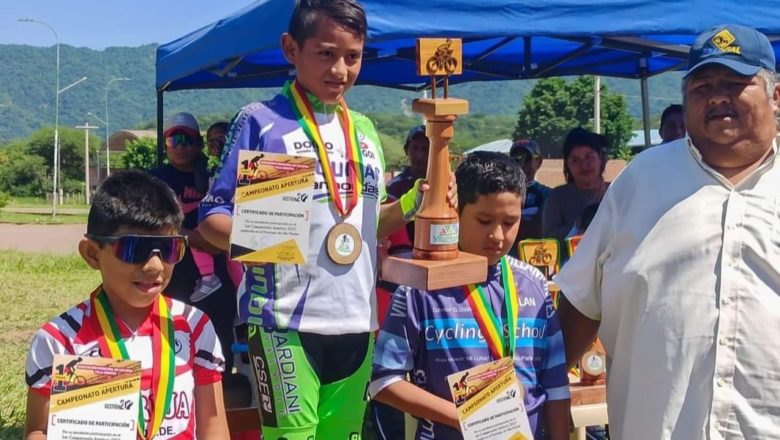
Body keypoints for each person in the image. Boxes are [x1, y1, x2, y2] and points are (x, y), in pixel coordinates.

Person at [198, 1, 450, 438]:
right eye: (326, 53)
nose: (340, 70)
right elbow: (212, 219)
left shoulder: (366, 131)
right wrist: (271, 238)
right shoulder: (264, 122)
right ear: (291, 49)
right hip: (283, 322)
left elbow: (365, 230)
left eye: (353, 57)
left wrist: (413, 203)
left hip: (357, 321)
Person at [557, 24, 780, 439]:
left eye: (734, 83)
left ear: (775, 96)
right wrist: (534, 399)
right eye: (701, 86)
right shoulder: (640, 180)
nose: (717, 96)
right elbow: (580, 303)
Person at [371, 152, 570, 440]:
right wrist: (468, 416)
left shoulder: (534, 284)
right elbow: (383, 381)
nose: (498, 236)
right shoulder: (420, 288)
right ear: (457, 210)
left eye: (509, 222)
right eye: (484, 220)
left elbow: (555, 385)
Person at [24, 170, 228, 439]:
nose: (154, 266)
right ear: (92, 254)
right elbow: (38, 430)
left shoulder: (195, 326)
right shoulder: (59, 340)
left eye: (168, 249)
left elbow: (212, 425)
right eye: (134, 249)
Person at [372, 124, 430, 440]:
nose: (421, 154)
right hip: (391, 296)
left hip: (434, 298)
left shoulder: (451, 188)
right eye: (416, 147)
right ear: (407, 150)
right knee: (391, 374)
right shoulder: (391, 192)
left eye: (427, 147)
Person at [151, 112, 223, 303]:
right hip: (176, 271)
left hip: (219, 270)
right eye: (174, 140)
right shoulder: (154, 179)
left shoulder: (216, 175)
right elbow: (151, 223)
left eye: (187, 140)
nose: (181, 147)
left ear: (199, 143)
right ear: (165, 144)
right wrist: (196, 239)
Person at [542, 127, 609, 246]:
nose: (584, 165)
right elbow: (548, 240)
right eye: (575, 160)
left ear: (601, 159)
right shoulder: (558, 197)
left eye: (589, 157)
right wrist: (578, 225)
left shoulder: (616, 191)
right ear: (567, 165)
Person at [508, 139, 550, 253]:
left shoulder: (548, 195)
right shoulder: (501, 193)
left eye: (527, 158)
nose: (521, 164)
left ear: (539, 162)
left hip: (538, 255)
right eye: (516, 159)